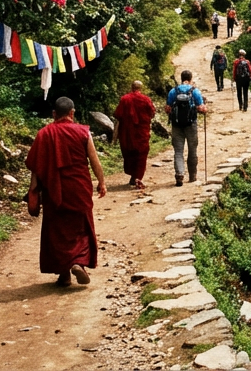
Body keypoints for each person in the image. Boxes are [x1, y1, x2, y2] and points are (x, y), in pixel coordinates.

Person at [25, 97, 106, 287]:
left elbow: (36, 167)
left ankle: (64, 274)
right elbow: (94, 160)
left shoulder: (43, 134)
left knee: (57, 231)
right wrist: (101, 181)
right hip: (79, 188)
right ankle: (78, 263)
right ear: (72, 113)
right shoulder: (83, 132)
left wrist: (33, 191)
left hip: (53, 190)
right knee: (81, 227)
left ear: (54, 114)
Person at [113, 80, 156, 190]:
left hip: (127, 133)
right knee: (141, 154)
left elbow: (118, 114)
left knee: (129, 152)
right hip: (141, 132)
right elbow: (152, 113)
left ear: (131, 87)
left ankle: (134, 176)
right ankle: (138, 177)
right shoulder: (146, 99)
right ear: (140, 88)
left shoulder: (125, 99)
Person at [166, 70, 206, 186]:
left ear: (181, 78)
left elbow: (168, 108)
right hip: (191, 125)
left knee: (178, 151)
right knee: (192, 150)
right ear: (191, 78)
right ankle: (192, 176)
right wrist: (204, 109)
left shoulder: (174, 91)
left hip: (176, 125)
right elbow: (201, 108)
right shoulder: (195, 91)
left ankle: (179, 174)